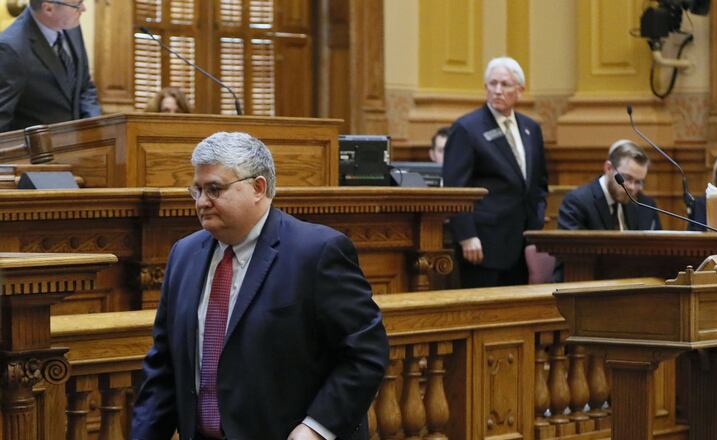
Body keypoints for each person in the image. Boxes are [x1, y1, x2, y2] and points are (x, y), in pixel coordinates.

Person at [132, 132, 388, 440]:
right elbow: (163, 366)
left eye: (214, 189)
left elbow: (366, 352)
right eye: (197, 190)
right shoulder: (184, 255)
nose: (201, 202)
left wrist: (317, 428)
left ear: (258, 187)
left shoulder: (318, 251)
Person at [443, 56, 548, 288]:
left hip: (523, 241)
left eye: (505, 85)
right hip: (483, 243)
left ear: (519, 90)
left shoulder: (531, 128)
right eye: (492, 84)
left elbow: (539, 183)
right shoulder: (467, 128)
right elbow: (454, 188)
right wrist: (466, 235)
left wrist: (537, 220)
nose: (497, 90)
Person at [0, 0, 100, 133]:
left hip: (79, 145)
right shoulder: (11, 48)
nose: (83, 9)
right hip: (40, 150)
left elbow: (84, 85)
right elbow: (2, 118)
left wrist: (94, 129)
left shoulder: (71, 24)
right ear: (48, 9)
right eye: (77, 4)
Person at [558, 140, 661, 231]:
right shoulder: (577, 202)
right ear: (608, 168)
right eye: (627, 178)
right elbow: (571, 250)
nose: (632, 187)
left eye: (638, 182)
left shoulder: (642, 204)